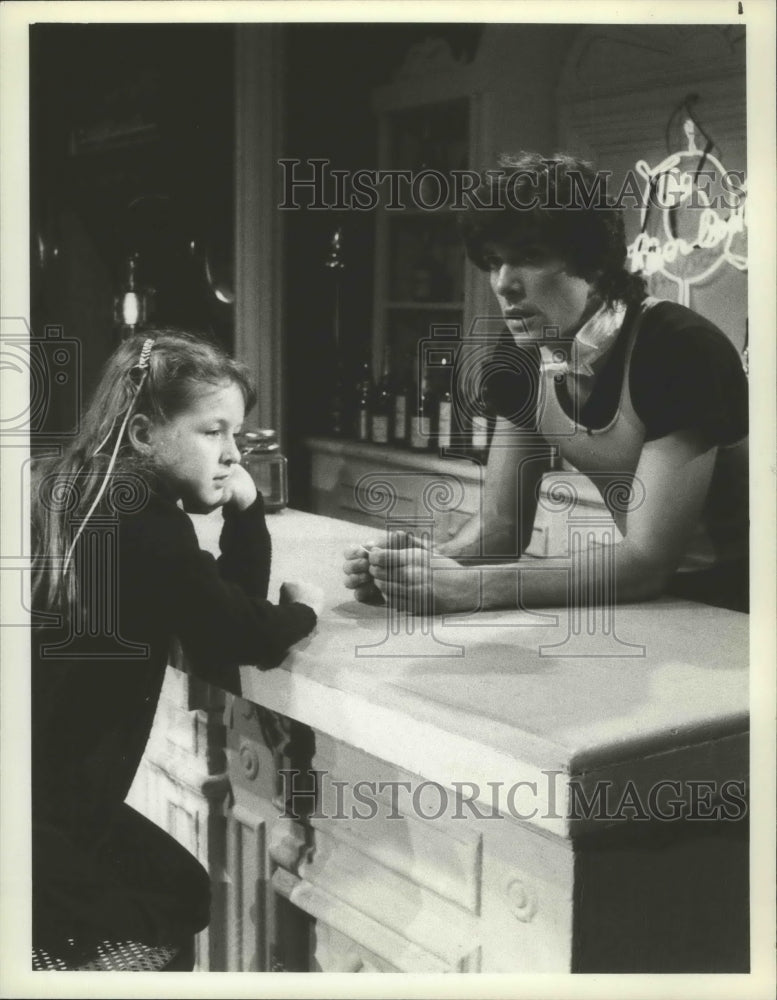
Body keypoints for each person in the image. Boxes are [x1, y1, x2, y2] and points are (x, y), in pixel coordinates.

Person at [343, 152, 749, 615]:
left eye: (530, 258)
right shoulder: (520, 352)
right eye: (494, 262)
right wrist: (418, 568)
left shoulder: (679, 348)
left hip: (744, 604)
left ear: (595, 266)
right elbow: (502, 527)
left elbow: (645, 562)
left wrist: (472, 589)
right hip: (654, 603)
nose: (504, 284)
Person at [31, 329, 323, 968]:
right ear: (142, 435)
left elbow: (211, 613)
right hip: (44, 825)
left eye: (236, 435)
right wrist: (304, 607)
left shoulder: (69, 488)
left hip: (35, 804)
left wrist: (238, 516)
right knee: (177, 895)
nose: (233, 455)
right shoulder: (145, 526)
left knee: (174, 891)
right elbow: (244, 635)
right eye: (213, 431)